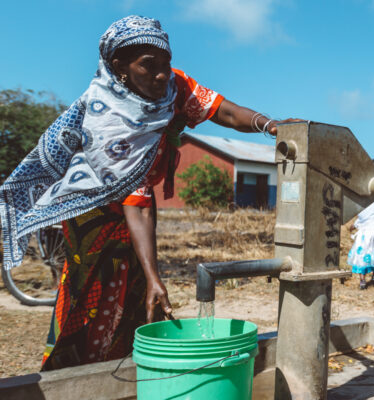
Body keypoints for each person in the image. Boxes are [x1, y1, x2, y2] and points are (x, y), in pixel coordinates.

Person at [0, 16, 300, 370]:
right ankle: (72, 373)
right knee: (94, 296)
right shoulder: (108, 113)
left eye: (166, 64)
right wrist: (158, 277)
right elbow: (137, 203)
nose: (161, 75)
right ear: (119, 68)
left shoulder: (175, 87)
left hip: (136, 208)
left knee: (137, 293)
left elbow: (224, 111)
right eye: (148, 66)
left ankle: (127, 365)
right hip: (92, 212)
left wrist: (270, 125)